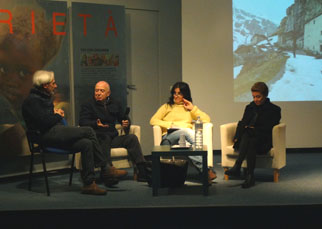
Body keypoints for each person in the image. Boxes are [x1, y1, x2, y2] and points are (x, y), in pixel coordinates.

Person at [22, 70, 117, 195]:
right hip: (44, 135)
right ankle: (104, 167)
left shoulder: (44, 98)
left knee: (86, 143)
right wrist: (58, 116)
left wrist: (54, 114)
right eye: (53, 83)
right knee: (88, 130)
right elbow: (43, 123)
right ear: (45, 85)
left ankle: (89, 184)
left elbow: (46, 118)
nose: (55, 86)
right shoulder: (33, 101)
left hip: (53, 132)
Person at [79, 81, 150, 182]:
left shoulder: (115, 103)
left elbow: (124, 118)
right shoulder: (88, 104)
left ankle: (142, 171)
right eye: (96, 90)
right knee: (104, 137)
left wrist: (126, 123)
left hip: (113, 138)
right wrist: (96, 124)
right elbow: (82, 122)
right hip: (98, 138)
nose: (98, 93)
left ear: (108, 93)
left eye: (101, 91)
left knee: (132, 138)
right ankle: (108, 171)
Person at [150, 81, 217, 183]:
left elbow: (206, 119)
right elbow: (153, 120)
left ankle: (205, 174)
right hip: (169, 138)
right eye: (174, 93)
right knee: (186, 132)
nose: (175, 96)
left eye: (179, 93)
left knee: (189, 142)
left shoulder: (188, 108)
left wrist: (193, 109)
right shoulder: (167, 106)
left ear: (185, 95)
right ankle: (206, 170)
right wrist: (169, 125)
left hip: (185, 140)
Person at [225, 82, 281, 188]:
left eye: (258, 97)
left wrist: (253, 130)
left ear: (265, 95)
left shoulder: (274, 109)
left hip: (263, 141)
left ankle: (238, 166)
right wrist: (237, 137)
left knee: (251, 137)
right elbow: (242, 123)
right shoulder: (249, 107)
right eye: (254, 97)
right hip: (249, 140)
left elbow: (269, 128)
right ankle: (250, 177)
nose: (255, 99)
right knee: (250, 138)